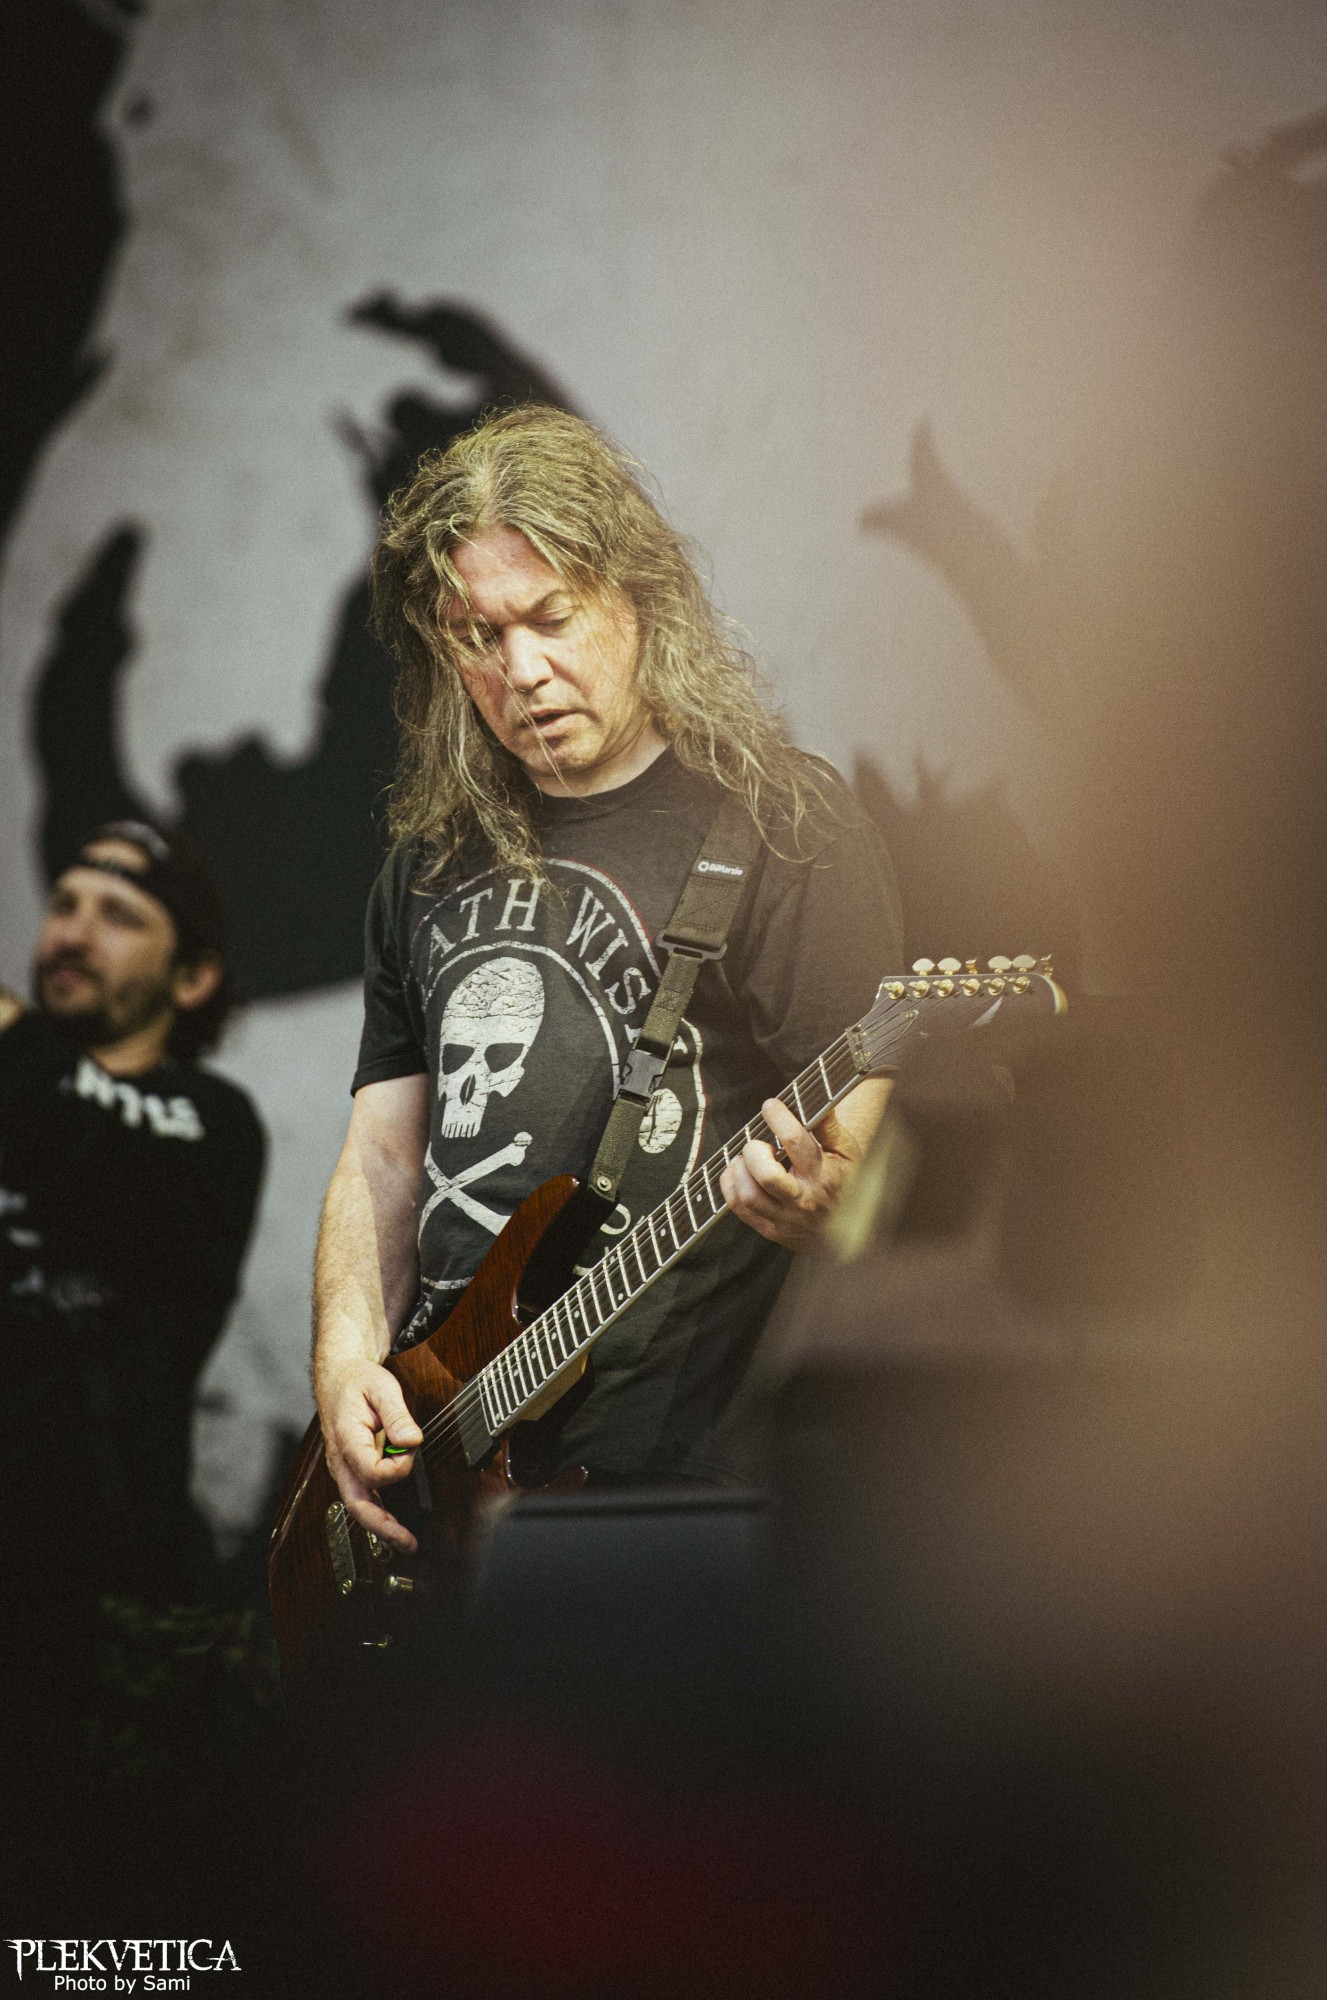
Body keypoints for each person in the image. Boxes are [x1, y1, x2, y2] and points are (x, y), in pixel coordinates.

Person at [313, 405, 903, 1549]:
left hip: (667, 1468)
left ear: (638, 599)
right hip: (441, 1445)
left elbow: (873, 1113)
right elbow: (381, 1156)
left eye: (551, 617)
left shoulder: (778, 821)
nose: (520, 669)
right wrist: (346, 1363)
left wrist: (837, 1194)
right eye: (477, 635)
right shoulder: (426, 864)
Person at [0, 820, 266, 1602]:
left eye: (118, 916)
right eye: (64, 905)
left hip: (103, 1587)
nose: (73, 936)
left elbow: (102, 1163)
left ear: (192, 977)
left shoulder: (210, 1121)